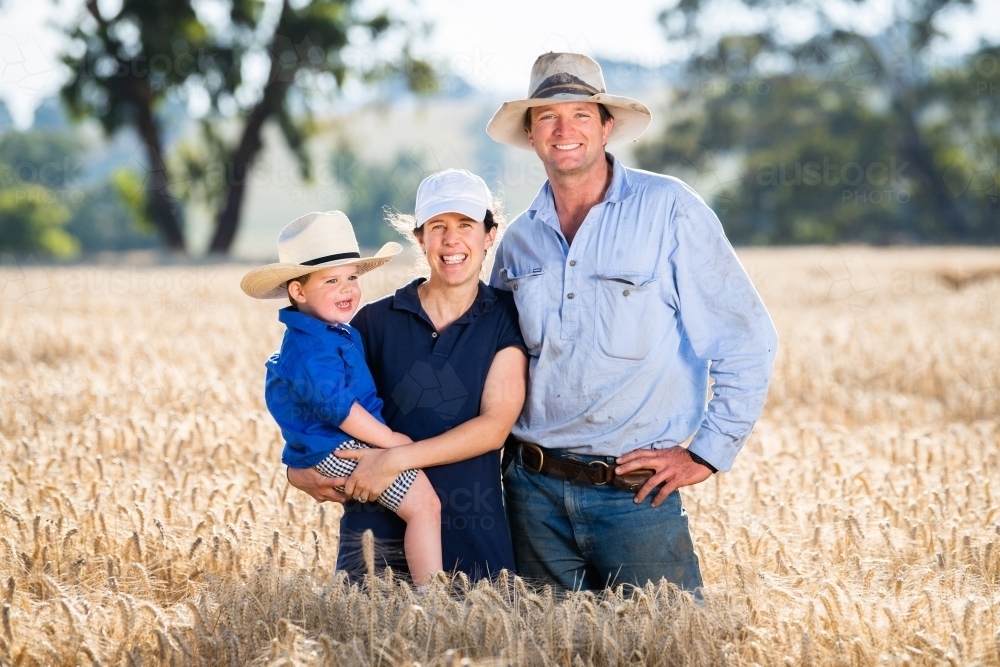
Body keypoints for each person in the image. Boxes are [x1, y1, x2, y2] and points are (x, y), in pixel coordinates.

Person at [486, 52, 779, 591]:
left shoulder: (671, 210)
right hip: (530, 492)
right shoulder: (517, 240)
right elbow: (491, 361)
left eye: (580, 114)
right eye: (547, 116)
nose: (564, 129)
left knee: (665, 646)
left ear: (607, 127)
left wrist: (706, 453)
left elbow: (747, 340)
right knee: (544, 650)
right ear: (530, 134)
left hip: (635, 494)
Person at [285, 170, 528, 582]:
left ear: (490, 235)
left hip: (475, 537)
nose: (451, 240)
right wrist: (296, 470)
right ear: (420, 238)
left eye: (466, 225)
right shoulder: (373, 322)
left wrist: (396, 458)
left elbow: (493, 428)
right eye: (438, 227)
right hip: (374, 538)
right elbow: (318, 398)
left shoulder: (507, 317)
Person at [241, 211, 443, 586]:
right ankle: (431, 600)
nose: (347, 288)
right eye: (332, 280)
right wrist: (392, 442)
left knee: (418, 506)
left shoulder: (328, 333)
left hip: (337, 444)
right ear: (298, 291)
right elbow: (340, 409)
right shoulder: (309, 349)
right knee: (425, 507)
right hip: (340, 446)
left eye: (352, 277)